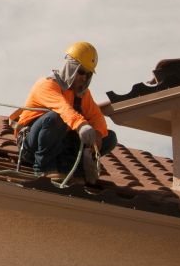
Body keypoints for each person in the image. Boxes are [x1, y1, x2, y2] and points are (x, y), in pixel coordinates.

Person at [12, 41, 117, 183]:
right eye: (81, 72)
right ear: (71, 67)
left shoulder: (82, 94)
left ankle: (76, 170)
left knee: (109, 138)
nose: (84, 78)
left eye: (88, 74)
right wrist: (82, 126)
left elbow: (97, 117)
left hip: (60, 146)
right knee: (56, 118)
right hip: (31, 145)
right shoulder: (47, 84)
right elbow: (63, 109)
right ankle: (44, 168)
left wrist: (96, 137)